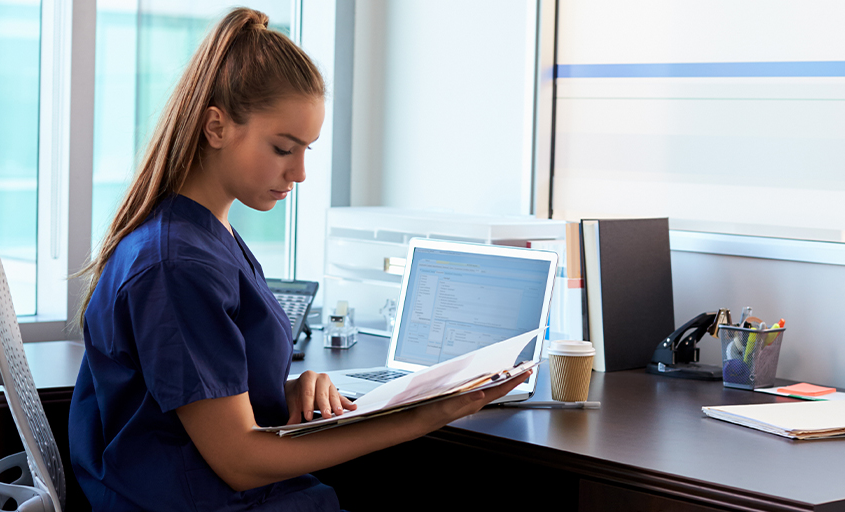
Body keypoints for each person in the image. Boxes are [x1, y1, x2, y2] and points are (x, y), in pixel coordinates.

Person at [68, 8, 527, 511]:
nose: (301, 172)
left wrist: (288, 390)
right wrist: (421, 416)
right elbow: (237, 460)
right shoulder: (177, 264)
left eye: (306, 149)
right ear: (216, 127)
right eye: (284, 148)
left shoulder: (203, 236)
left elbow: (202, 395)